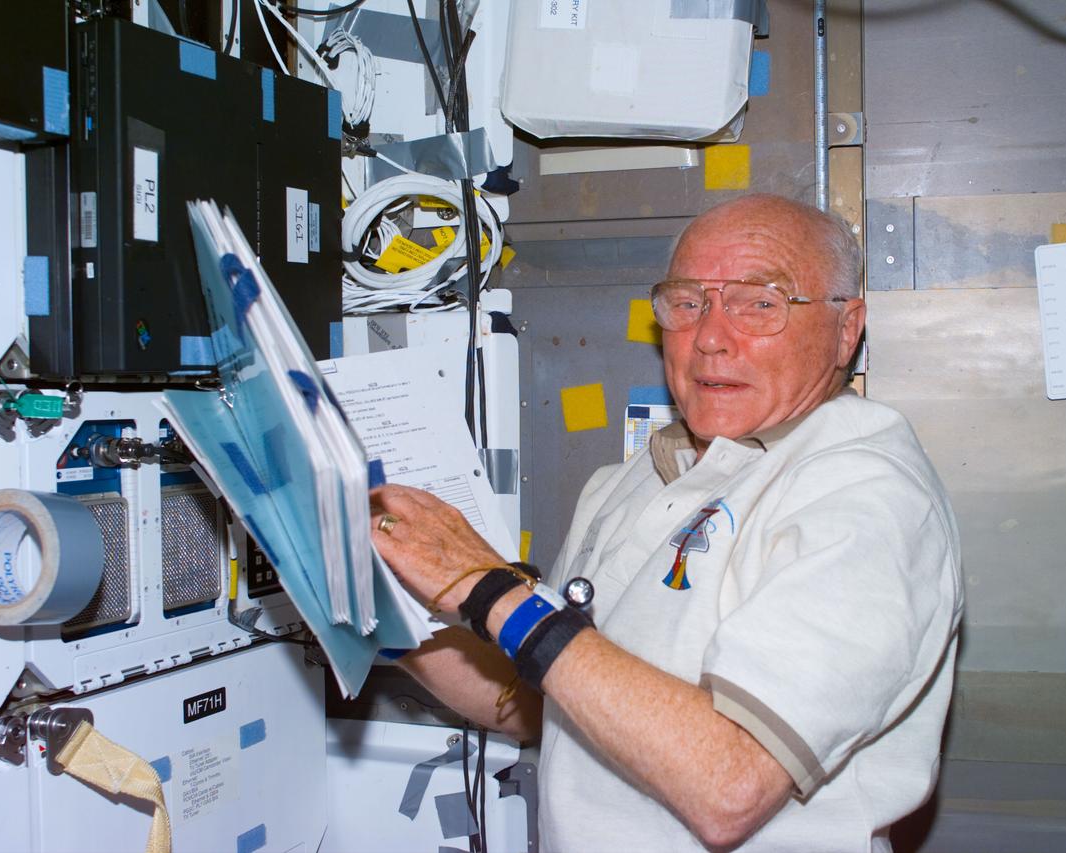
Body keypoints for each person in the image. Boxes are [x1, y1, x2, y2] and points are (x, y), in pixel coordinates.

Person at [370, 194, 963, 852]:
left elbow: (731, 782)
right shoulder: (630, 481)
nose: (710, 335)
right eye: (687, 303)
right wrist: (377, 606)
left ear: (846, 328)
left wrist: (485, 587)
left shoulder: (867, 494)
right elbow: (543, 699)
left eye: (759, 302)